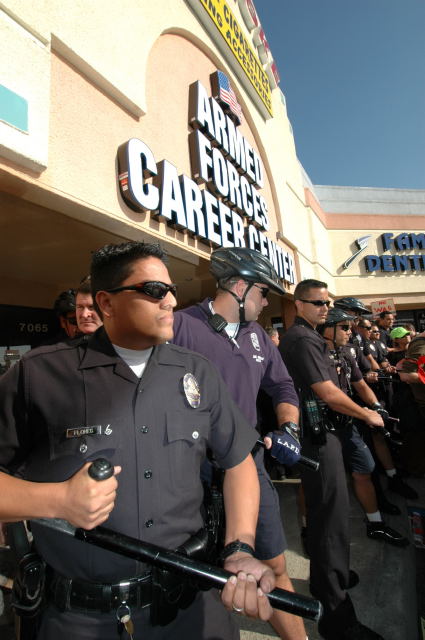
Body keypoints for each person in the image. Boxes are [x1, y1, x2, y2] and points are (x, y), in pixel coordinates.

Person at [0, 241, 276, 640]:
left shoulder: (198, 372)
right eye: (154, 290)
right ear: (107, 304)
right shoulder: (38, 376)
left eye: (172, 290)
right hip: (79, 620)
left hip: (189, 609)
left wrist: (241, 547)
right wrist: (57, 501)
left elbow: (237, 462)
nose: (170, 301)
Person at [172, 247, 306, 640]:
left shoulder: (259, 335)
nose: (267, 302)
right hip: (189, 473)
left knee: (275, 567)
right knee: (196, 578)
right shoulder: (179, 327)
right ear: (240, 286)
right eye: (263, 293)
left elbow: (282, 386)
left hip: (248, 466)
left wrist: (290, 428)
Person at [279, 279, 386, 640]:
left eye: (327, 302)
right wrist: (367, 414)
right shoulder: (302, 339)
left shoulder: (311, 337)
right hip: (317, 438)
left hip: (326, 436)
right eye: (318, 303)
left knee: (333, 517)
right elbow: (327, 393)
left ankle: (331, 580)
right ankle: (335, 614)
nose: (326, 308)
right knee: (330, 521)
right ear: (298, 304)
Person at [317, 308, 408, 547]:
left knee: (365, 468)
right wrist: (365, 413)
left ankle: (376, 524)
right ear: (329, 328)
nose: (351, 331)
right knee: (320, 484)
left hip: (349, 421)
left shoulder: (347, 352)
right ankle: (312, 531)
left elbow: (358, 383)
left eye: (352, 326)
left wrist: (376, 406)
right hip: (324, 425)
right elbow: (330, 395)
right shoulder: (317, 353)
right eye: (345, 327)